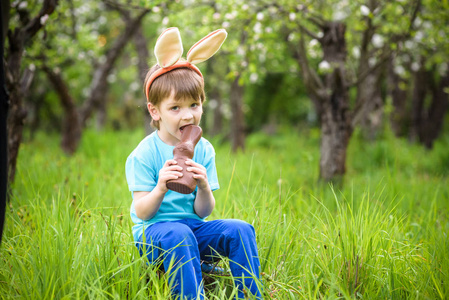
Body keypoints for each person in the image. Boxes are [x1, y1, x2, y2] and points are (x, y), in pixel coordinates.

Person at [125, 27, 262, 299]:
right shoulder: (144, 153)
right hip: (154, 235)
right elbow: (141, 212)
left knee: (240, 230)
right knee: (178, 233)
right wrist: (161, 188)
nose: (187, 116)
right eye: (175, 108)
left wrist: (204, 187)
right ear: (155, 111)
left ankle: (249, 295)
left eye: (194, 105)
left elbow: (202, 212)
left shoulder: (204, 149)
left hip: (193, 228)